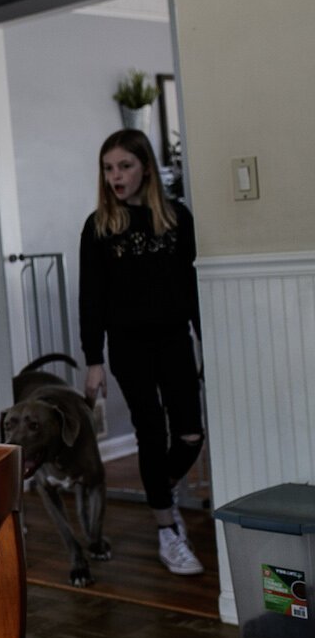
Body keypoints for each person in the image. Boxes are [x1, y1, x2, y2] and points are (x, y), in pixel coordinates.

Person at [79, 128, 205, 576]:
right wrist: (93, 360)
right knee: (150, 434)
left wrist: (204, 340)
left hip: (174, 341)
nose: (116, 176)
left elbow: (191, 289)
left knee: (191, 435)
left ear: (146, 167)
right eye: (108, 168)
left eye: (125, 166)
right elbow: (90, 300)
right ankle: (168, 531)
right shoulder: (98, 228)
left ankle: (159, 489)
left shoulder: (177, 219)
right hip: (128, 347)